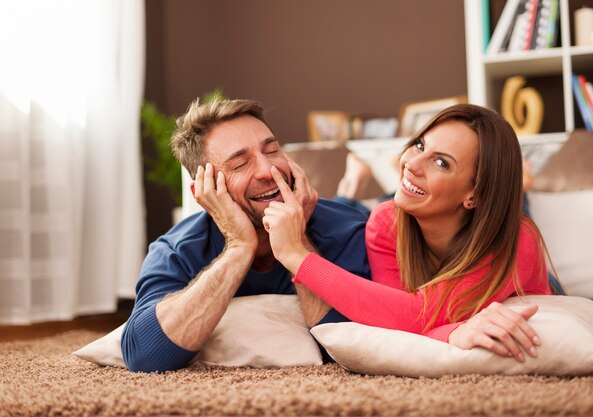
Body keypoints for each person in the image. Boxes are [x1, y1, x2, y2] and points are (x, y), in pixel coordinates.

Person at [263, 103, 553, 363]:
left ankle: (523, 181)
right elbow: (394, 320)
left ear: (474, 195)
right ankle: (350, 187)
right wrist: (454, 332)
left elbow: (414, 315)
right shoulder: (387, 220)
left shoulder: (517, 243)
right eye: (418, 145)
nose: (410, 164)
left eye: (441, 162)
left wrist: (296, 255)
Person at [121, 98, 372, 372]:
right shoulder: (175, 249)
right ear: (205, 193)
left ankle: (350, 192)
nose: (267, 170)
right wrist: (239, 248)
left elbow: (355, 343)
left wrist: (296, 247)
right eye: (240, 164)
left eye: (272, 150)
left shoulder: (350, 229)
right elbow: (144, 356)